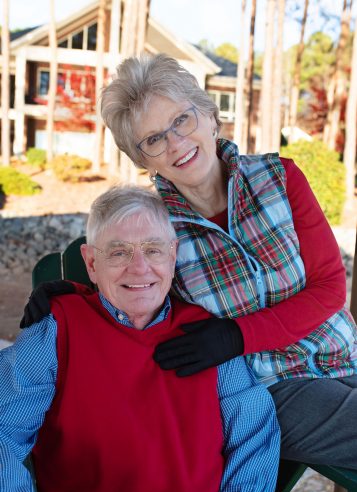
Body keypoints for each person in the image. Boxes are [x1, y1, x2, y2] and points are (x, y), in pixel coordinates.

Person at [22, 53, 357, 468]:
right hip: (269, 385)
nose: (176, 143)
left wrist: (237, 334)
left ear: (210, 116)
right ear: (142, 159)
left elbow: (329, 288)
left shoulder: (280, 177)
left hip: (343, 351)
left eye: (182, 120)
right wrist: (67, 292)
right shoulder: (158, 226)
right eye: (153, 139)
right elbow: (130, 287)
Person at [0, 186, 280, 492]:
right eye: (119, 252)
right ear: (91, 263)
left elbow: (254, 435)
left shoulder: (208, 335)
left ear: (173, 256)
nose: (139, 267)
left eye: (153, 250)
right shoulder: (57, 330)